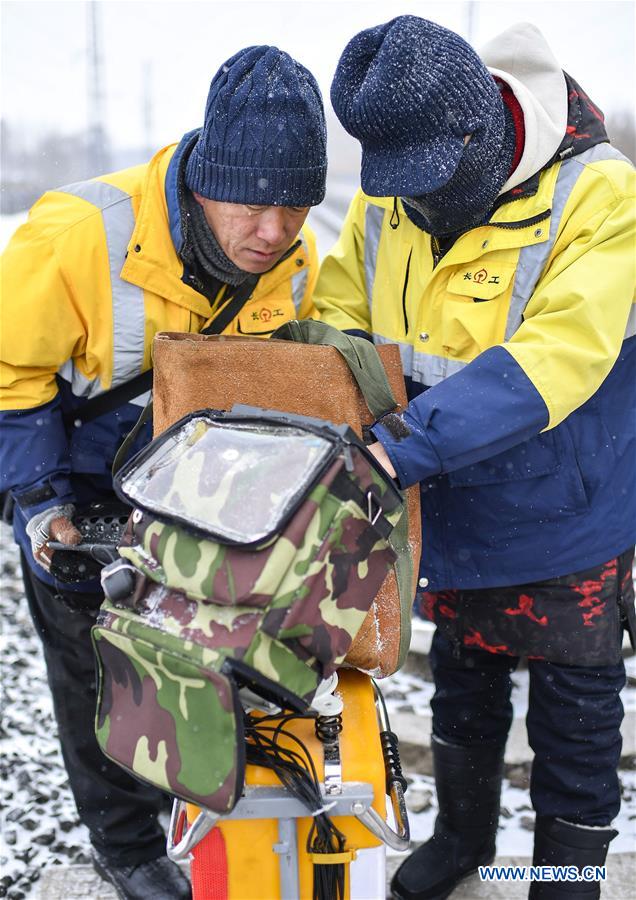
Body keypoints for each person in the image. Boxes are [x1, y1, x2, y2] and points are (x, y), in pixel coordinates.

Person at [316, 16, 635, 900]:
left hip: (567, 509)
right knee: (464, 683)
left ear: (482, 134)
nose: (417, 206)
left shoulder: (601, 195)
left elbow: (556, 356)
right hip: (446, 500)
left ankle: (564, 877)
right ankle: (465, 842)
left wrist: (401, 446)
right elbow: (342, 308)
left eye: (433, 185)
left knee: (575, 714)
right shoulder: (396, 190)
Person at [0, 45, 326, 899]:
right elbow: (8, 377)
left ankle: (192, 793)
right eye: (254, 204)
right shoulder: (76, 235)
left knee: (199, 644)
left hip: (193, 484)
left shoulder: (295, 264)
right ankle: (127, 840)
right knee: (89, 657)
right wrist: (41, 508)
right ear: (204, 177)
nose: (273, 231)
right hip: (77, 484)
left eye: (296, 206)